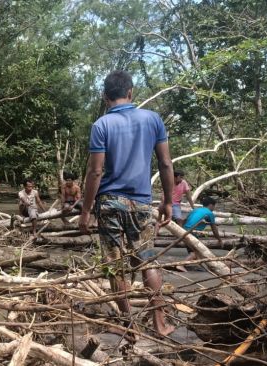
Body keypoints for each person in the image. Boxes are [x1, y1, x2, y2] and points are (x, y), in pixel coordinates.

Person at [78, 70, 175, 337]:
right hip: (142, 202)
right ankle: (160, 323)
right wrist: (168, 201)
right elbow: (165, 163)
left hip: (109, 203)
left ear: (104, 96)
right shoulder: (152, 119)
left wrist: (85, 211)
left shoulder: (101, 125)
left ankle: (127, 323)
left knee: (114, 263)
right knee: (147, 260)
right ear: (130, 92)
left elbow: (95, 172)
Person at [177, 196, 222, 272]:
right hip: (192, 232)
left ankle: (198, 265)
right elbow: (214, 229)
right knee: (196, 252)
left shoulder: (195, 210)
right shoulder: (209, 213)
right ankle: (181, 265)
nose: (213, 208)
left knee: (194, 252)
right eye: (214, 206)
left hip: (184, 230)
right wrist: (219, 239)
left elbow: (185, 220)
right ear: (211, 205)